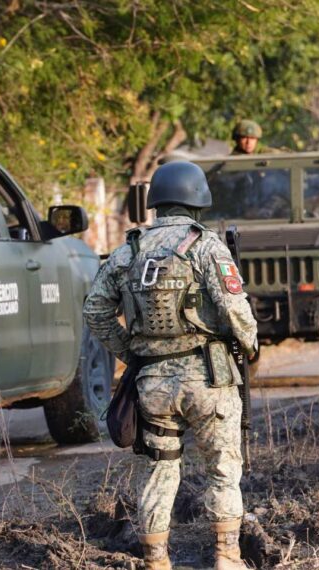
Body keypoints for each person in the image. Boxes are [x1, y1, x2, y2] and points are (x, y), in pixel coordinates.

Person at [83, 161, 258, 570]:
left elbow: (95, 308)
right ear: (198, 198)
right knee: (222, 468)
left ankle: (157, 560)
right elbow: (235, 307)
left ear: (157, 201)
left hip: (152, 384)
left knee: (158, 473)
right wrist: (251, 347)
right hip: (209, 379)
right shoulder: (206, 245)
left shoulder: (131, 248)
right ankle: (227, 556)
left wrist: (130, 352)